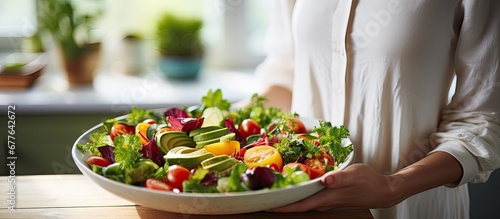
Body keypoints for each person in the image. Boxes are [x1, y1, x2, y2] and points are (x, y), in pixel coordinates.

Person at [252, 1, 500, 219]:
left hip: (410, 207)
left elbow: (482, 119)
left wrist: (393, 186)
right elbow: (287, 70)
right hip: (302, 205)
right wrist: (235, 124)